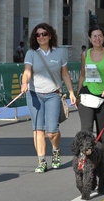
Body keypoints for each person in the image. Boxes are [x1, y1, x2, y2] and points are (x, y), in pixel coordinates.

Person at [20, 23, 77, 173]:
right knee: (38, 129)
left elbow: (65, 74)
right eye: (37, 35)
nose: (41, 37)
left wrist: (71, 92)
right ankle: (41, 161)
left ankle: (56, 150)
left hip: (53, 94)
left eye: (44, 34)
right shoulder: (31, 53)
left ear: (50, 35)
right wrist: (24, 83)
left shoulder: (59, 53)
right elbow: (26, 72)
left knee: (52, 131)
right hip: (34, 94)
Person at [76, 25, 104, 161]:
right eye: (94, 36)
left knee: (103, 130)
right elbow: (82, 75)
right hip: (87, 94)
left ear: (103, 37)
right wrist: (77, 94)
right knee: (86, 129)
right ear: (89, 38)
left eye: (100, 36)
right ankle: (85, 156)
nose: (97, 39)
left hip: (103, 96)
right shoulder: (85, 54)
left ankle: (102, 158)